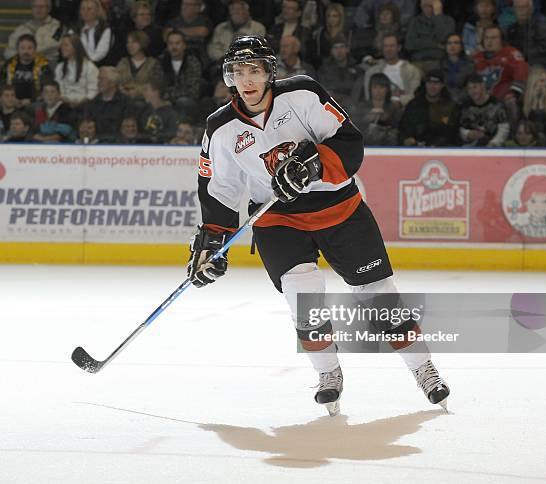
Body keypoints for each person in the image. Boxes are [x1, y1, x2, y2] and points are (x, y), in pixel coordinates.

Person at [188, 35, 450, 416]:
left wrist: (311, 165)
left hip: (338, 207)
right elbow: (220, 188)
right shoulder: (221, 127)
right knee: (303, 299)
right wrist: (213, 241)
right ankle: (329, 375)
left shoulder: (303, 93)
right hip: (277, 218)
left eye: (255, 70)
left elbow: (348, 142)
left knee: (379, 294)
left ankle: (423, 368)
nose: (247, 80)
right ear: (230, 76)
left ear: (269, 73)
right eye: (239, 72)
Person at [398, 69, 460, 146]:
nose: (432, 86)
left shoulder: (450, 106)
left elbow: (451, 132)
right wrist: (406, 139)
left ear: (442, 85)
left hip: (441, 150)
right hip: (414, 149)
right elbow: (404, 126)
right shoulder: (414, 104)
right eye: (429, 82)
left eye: (436, 83)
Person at [363, 33, 422, 106]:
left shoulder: (412, 70)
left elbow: (414, 94)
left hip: (403, 109)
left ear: (399, 48)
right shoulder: (372, 72)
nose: (388, 49)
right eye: (385, 46)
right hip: (378, 109)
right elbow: (368, 96)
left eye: (392, 46)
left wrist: (400, 102)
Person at [0, 34, 53, 106]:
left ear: (35, 49)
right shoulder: (9, 64)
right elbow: (0, 85)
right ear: (18, 50)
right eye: (22, 48)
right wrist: (11, 99)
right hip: (12, 102)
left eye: (29, 48)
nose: (26, 51)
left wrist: (31, 100)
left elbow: (49, 88)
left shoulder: (43, 65)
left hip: (35, 103)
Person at [405, 0, 455, 73]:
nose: (426, 2)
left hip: (439, 62)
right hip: (418, 62)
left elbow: (445, 40)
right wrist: (436, 44)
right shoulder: (414, 21)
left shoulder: (448, 21)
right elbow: (409, 44)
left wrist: (438, 16)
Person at [459, 74, 510, 146]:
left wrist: (494, 143)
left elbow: (504, 128)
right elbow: (461, 127)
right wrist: (468, 134)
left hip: (494, 146)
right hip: (470, 147)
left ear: (482, 86)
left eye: (475, 87)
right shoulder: (465, 106)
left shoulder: (497, 104)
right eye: (469, 88)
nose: (472, 91)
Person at [355, 72, 403, 145]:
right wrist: (367, 118)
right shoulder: (361, 106)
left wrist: (386, 119)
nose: (378, 91)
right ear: (370, 89)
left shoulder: (393, 107)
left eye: (382, 87)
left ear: (387, 89)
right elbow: (355, 125)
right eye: (374, 87)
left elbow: (398, 128)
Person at [55, 33, 99, 107]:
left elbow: (93, 91)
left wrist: (80, 102)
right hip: (64, 103)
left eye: (66, 45)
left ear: (76, 47)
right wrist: (64, 99)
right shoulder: (60, 67)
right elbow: (58, 87)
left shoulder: (90, 67)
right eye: (62, 45)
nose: (62, 48)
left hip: (85, 105)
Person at [116, 30, 159, 100]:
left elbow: (156, 86)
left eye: (133, 42)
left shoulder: (153, 64)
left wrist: (138, 91)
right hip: (123, 101)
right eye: (128, 42)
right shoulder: (123, 63)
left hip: (146, 103)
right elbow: (116, 82)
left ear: (142, 43)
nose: (129, 45)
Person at [506, 0, 546, 67]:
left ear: (531, 9)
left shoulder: (542, 25)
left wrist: (522, 55)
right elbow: (508, 50)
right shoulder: (511, 29)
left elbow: (544, 50)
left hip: (538, 66)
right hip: (517, 66)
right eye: (518, 7)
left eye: (524, 7)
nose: (521, 10)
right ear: (514, 9)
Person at [440, 32, 476, 103]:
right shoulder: (439, 64)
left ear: (461, 47)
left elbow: (471, 86)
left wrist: (457, 98)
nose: (452, 46)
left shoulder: (469, 65)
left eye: (456, 43)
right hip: (442, 100)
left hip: (462, 100)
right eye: (449, 43)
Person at [76, 0, 114, 66]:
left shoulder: (105, 29)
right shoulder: (75, 29)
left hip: (97, 67)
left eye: (89, 9)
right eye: (83, 9)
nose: (85, 12)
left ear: (97, 11)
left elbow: (98, 56)